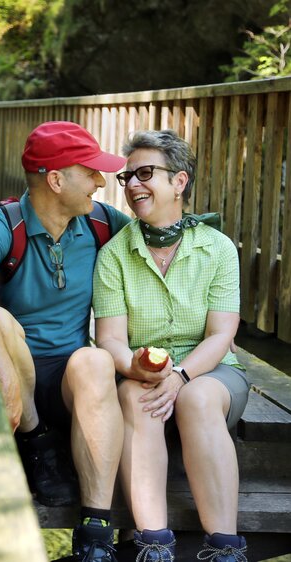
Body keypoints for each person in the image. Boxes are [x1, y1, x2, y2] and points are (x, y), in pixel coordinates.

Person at [0, 121, 130, 562]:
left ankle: (96, 531)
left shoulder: (103, 224)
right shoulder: (0, 225)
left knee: (95, 361)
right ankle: (38, 443)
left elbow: (158, 243)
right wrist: (4, 375)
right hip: (13, 379)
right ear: (57, 180)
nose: (102, 181)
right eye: (91, 172)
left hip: (69, 383)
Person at [93, 130, 250, 561]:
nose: (133, 185)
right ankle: (154, 544)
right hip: (143, 375)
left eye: (146, 173)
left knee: (196, 399)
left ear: (179, 182)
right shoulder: (114, 255)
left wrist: (182, 376)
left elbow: (222, 333)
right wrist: (136, 368)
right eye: (127, 177)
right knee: (135, 396)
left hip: (211, 372)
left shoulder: (216, 248)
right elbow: (109, 339)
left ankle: (224, 547)